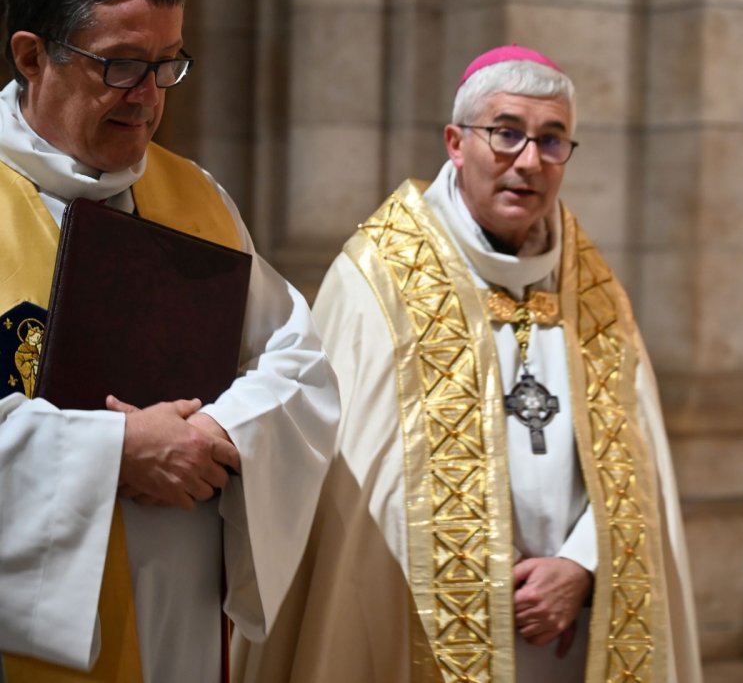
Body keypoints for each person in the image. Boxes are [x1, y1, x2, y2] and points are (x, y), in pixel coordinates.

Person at [234, 45, 702, 682]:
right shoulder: (383, 277)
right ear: (456, 142)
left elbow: (635, 469)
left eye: (552, 140)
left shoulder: (592, 289)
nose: (529, 162)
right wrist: (476, 571)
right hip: (418, 624)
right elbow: (354, 486)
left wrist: (585, 567)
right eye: (506, 134)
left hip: (571, 630)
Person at [0, 0, 340, 682]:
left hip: (176, 622)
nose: (149, 98)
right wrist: (117, 453)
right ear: (32, 57)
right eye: (120, 66)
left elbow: (298, 361)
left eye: (167, 64)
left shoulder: (195, 196)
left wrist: (216, 431)